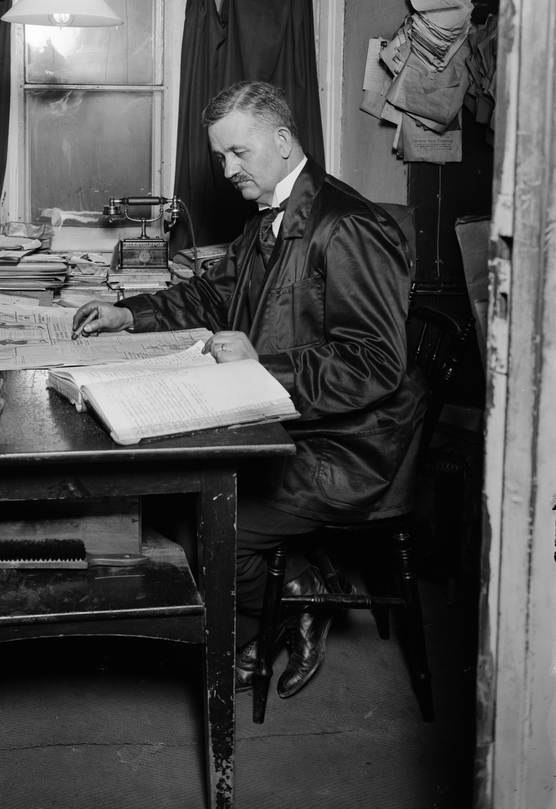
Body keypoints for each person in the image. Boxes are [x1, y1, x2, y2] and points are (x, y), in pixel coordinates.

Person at [72, 80, 426, 699]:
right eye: (221, 156)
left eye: (240, 152)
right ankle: (302, 584)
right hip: (287, 424)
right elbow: (212, 293)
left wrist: (262, 364)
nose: (228, 169)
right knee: (177, 496)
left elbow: (374, 362)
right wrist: (129, 313)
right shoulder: (269, 218)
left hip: (345, 446)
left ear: (283, 141)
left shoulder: (349, 226)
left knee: (215, 521)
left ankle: (278, 618)